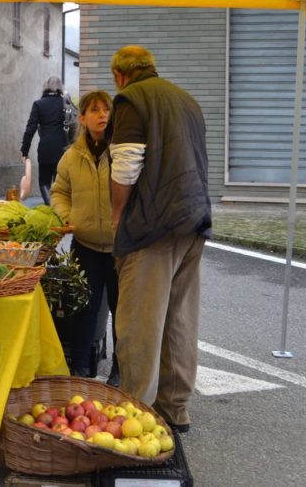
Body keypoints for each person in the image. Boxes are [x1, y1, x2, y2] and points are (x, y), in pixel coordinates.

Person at [108, 45, 211, 433]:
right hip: (194, 219)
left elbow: (128, 162)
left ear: (120, 75)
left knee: (140, 323)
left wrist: (119, 214)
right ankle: (175, 407)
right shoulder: (187, 101)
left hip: (153, 225)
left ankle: (137, 410)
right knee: (180, 317)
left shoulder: (132, 99)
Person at [50, 90, 119, 384]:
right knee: (84, 308)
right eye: (95, 110)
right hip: (86, 243)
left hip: (121, 247)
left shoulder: (122, 152)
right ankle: (78, 367)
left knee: (123, 312)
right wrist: (68, 217)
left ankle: (121, 368)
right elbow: (59, 192)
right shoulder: (71, 156)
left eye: (106, 109)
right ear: (82, 118)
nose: (102, 114)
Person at [20, 76, 70, 205]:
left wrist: (24, 151)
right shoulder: (65, 104)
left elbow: (30, 129)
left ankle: (50, 207)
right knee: (61, 183)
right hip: (64, 149)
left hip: (45, 149)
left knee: (44, 182)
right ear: (60, 87)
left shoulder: (39, 104)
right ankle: (60, 209)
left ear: (45, 87)